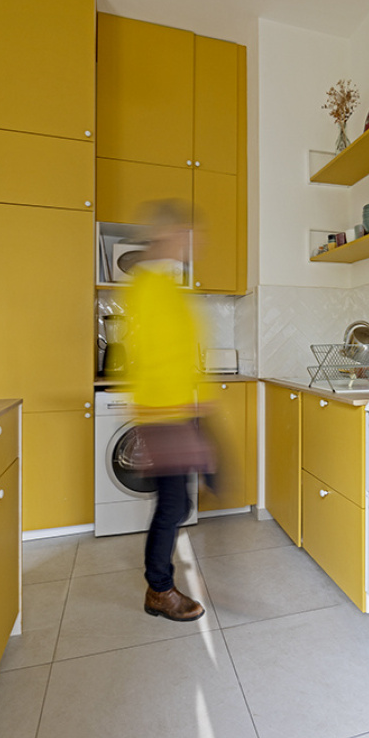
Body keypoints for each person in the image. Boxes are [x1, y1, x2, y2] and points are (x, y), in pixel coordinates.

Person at [122, 201, 212, 622]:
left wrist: (198, 407)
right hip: (163, 413)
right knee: (173, 506)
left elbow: (177, 354)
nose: (194, 241)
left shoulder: (165, 286)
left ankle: (159, 584)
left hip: (175, 411)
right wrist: (180, 413)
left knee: (178, 504)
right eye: (186, 233)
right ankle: (159, 589)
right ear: (166, 234)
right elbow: (149, 357)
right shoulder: (151, 287)